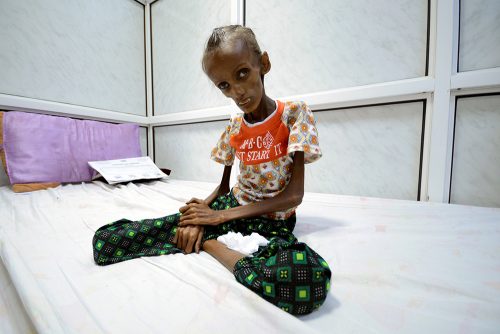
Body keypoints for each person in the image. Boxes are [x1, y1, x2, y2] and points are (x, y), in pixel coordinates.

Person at [92, 25, 331, 316]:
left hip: (273, 221)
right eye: (224, 85)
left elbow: (293, 196)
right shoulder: (234, 127)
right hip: (230, 206)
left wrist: (217, 218)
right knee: (105, 243)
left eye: (242, 73)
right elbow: (223, 188)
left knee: (308, 282)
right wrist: (201, 210)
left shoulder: (293, 114)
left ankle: (211, 245)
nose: (237, 91)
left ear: (263, 64)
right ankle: (211, 238)